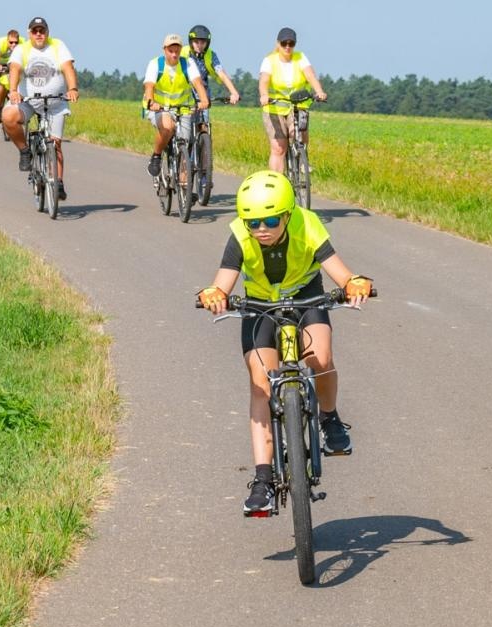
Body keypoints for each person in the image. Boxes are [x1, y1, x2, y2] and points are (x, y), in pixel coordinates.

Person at [196, 170, 373, 515]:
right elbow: (224, 280)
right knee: (261, 382)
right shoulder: (238, 235)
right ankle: (262, 477)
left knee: (320, 357)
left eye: (271, 220)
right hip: (260, 305)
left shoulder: (307, 225)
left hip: (306, 299)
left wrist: (353, 283)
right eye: (253, 222)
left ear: (288, 214)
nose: (261, 229)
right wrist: (215, 294)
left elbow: (338, 270)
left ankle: (329, 418)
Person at [2, 16, 79, 200]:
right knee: (9, 117)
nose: (39, 34)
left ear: (47, 32)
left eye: (42, 31)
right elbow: (14, 69)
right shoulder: (22, 49)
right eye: (35, 31)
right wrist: (13, 91)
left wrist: (73, 89)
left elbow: (68, 68)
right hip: (28, 101)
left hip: (55, 102)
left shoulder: (58, 46)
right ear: (29, 33)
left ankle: (58, 182)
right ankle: (24, 150)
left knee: (56, 144)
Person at [142, 32, 211, 178]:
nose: (174, 54)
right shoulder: (156, 64)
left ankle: (184, 186)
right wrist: (151, 102)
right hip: (160, 107)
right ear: (164, 50)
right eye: (170, 51)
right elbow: (149, 86)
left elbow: (197, 83)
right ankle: (156, 156)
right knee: (168, 127)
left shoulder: (188, 63)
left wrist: (204, 100)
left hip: (183, 108)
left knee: (184, 145)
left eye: (177, 51)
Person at [258, 27, 327, 174]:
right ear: (278, 44)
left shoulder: (300, 57)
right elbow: (264, 81)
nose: (288, 47)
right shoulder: (269, 60)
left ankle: (302, 159)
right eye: (284, 43)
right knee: (279, 147)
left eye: (291, 44)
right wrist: (264, 95)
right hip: (274, 107)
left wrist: (319, 91)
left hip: (297, 105)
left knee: (298, 134)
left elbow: (310, 76)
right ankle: (277, 182)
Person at [182, 25, 241, 105]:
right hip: (185, 94)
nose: (199, 46)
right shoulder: (182, 52)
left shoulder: (211, 55)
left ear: (207, 43)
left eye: (202, 43)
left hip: (203, 95)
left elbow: (222, 74)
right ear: (191, 42)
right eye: (196, 42)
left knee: (204, 116)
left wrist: (234, 92)